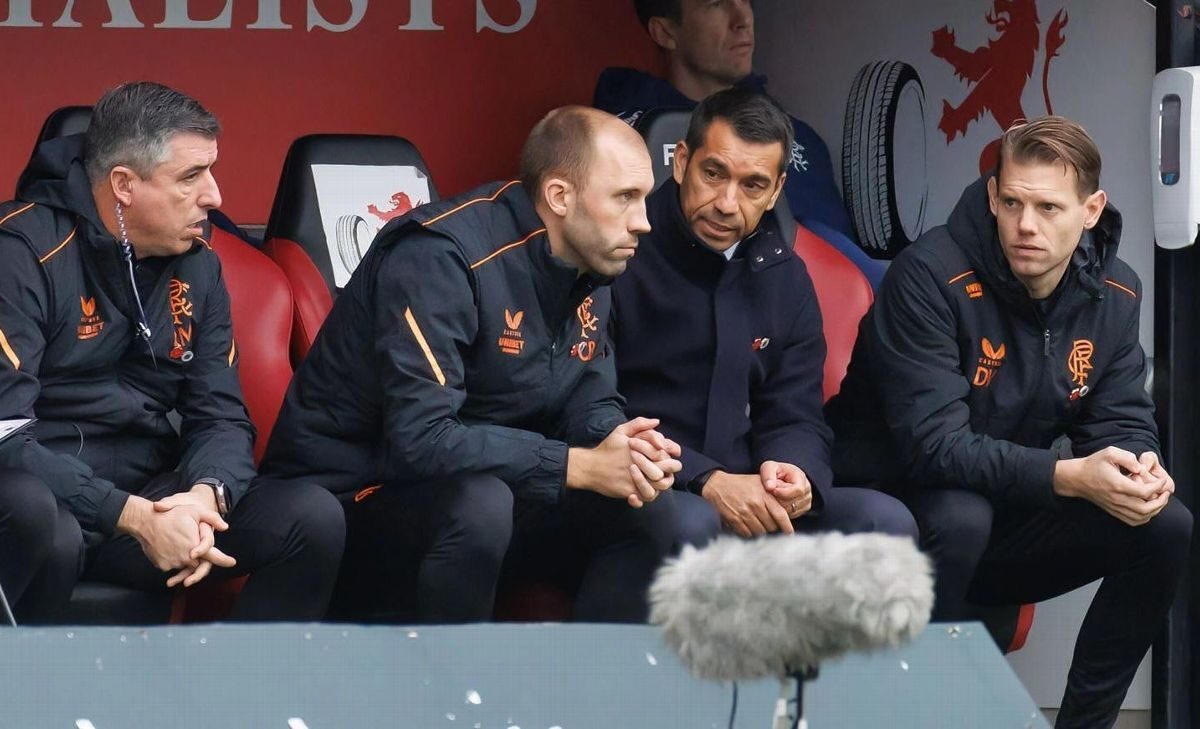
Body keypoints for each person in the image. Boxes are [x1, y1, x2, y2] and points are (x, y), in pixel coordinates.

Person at [260, 106, 718, 624]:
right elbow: (422, 440)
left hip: (494, 494)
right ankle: (453, 678)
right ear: (560, 196)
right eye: (625, 198)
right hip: (353, 503)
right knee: (481, 504)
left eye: (644, 197)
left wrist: (620, 445)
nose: (644, 221)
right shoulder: (441, 257)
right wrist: (576, 465)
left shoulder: (594, 256)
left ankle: (590, 674)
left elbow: (588, 396)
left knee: (654, 511)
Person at [825, 116, 1192, 728]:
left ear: (1091, 210)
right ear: (993, 196)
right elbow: (933, 447)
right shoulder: (929, 274)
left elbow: (1121, 416)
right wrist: (1067, 476)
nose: (1026, 225)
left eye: (1049, 208)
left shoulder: (1116, 291)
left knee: (1164, 525)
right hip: (895, 505)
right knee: (961, 515)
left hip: (1003, 510)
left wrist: (1138, 465)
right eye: (1014, 202)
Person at [0, 82, 344, 623]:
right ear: (124, 185)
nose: (214, 196)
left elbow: (221, 416)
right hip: (49, 497)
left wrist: (205, 497)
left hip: (153, 495)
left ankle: (242, 679)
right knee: (38, 518)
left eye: (210, 171)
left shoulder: (198, 263)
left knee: (311, 516)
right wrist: (132, 516)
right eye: (190, 176)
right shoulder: (19, 253)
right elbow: (6, 434)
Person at [611, 88, 914, 542]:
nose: (727, 203)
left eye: (752, 185)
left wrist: (795, 471)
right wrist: (704, 479)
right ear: (681, 163)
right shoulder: (621, 252)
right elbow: (594, 412)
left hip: (751, 493)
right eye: (713, 174)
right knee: (692, 523)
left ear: (776, 191)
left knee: (884, 523)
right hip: (648, 490)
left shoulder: (785, 276)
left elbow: (796, 413)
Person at [594, 0, 885, 288]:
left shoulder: (800, 137)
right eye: (717, 4)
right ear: (666, 32)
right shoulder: (624, 136)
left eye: (746, 0)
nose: (743, 20)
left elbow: (842, 271)